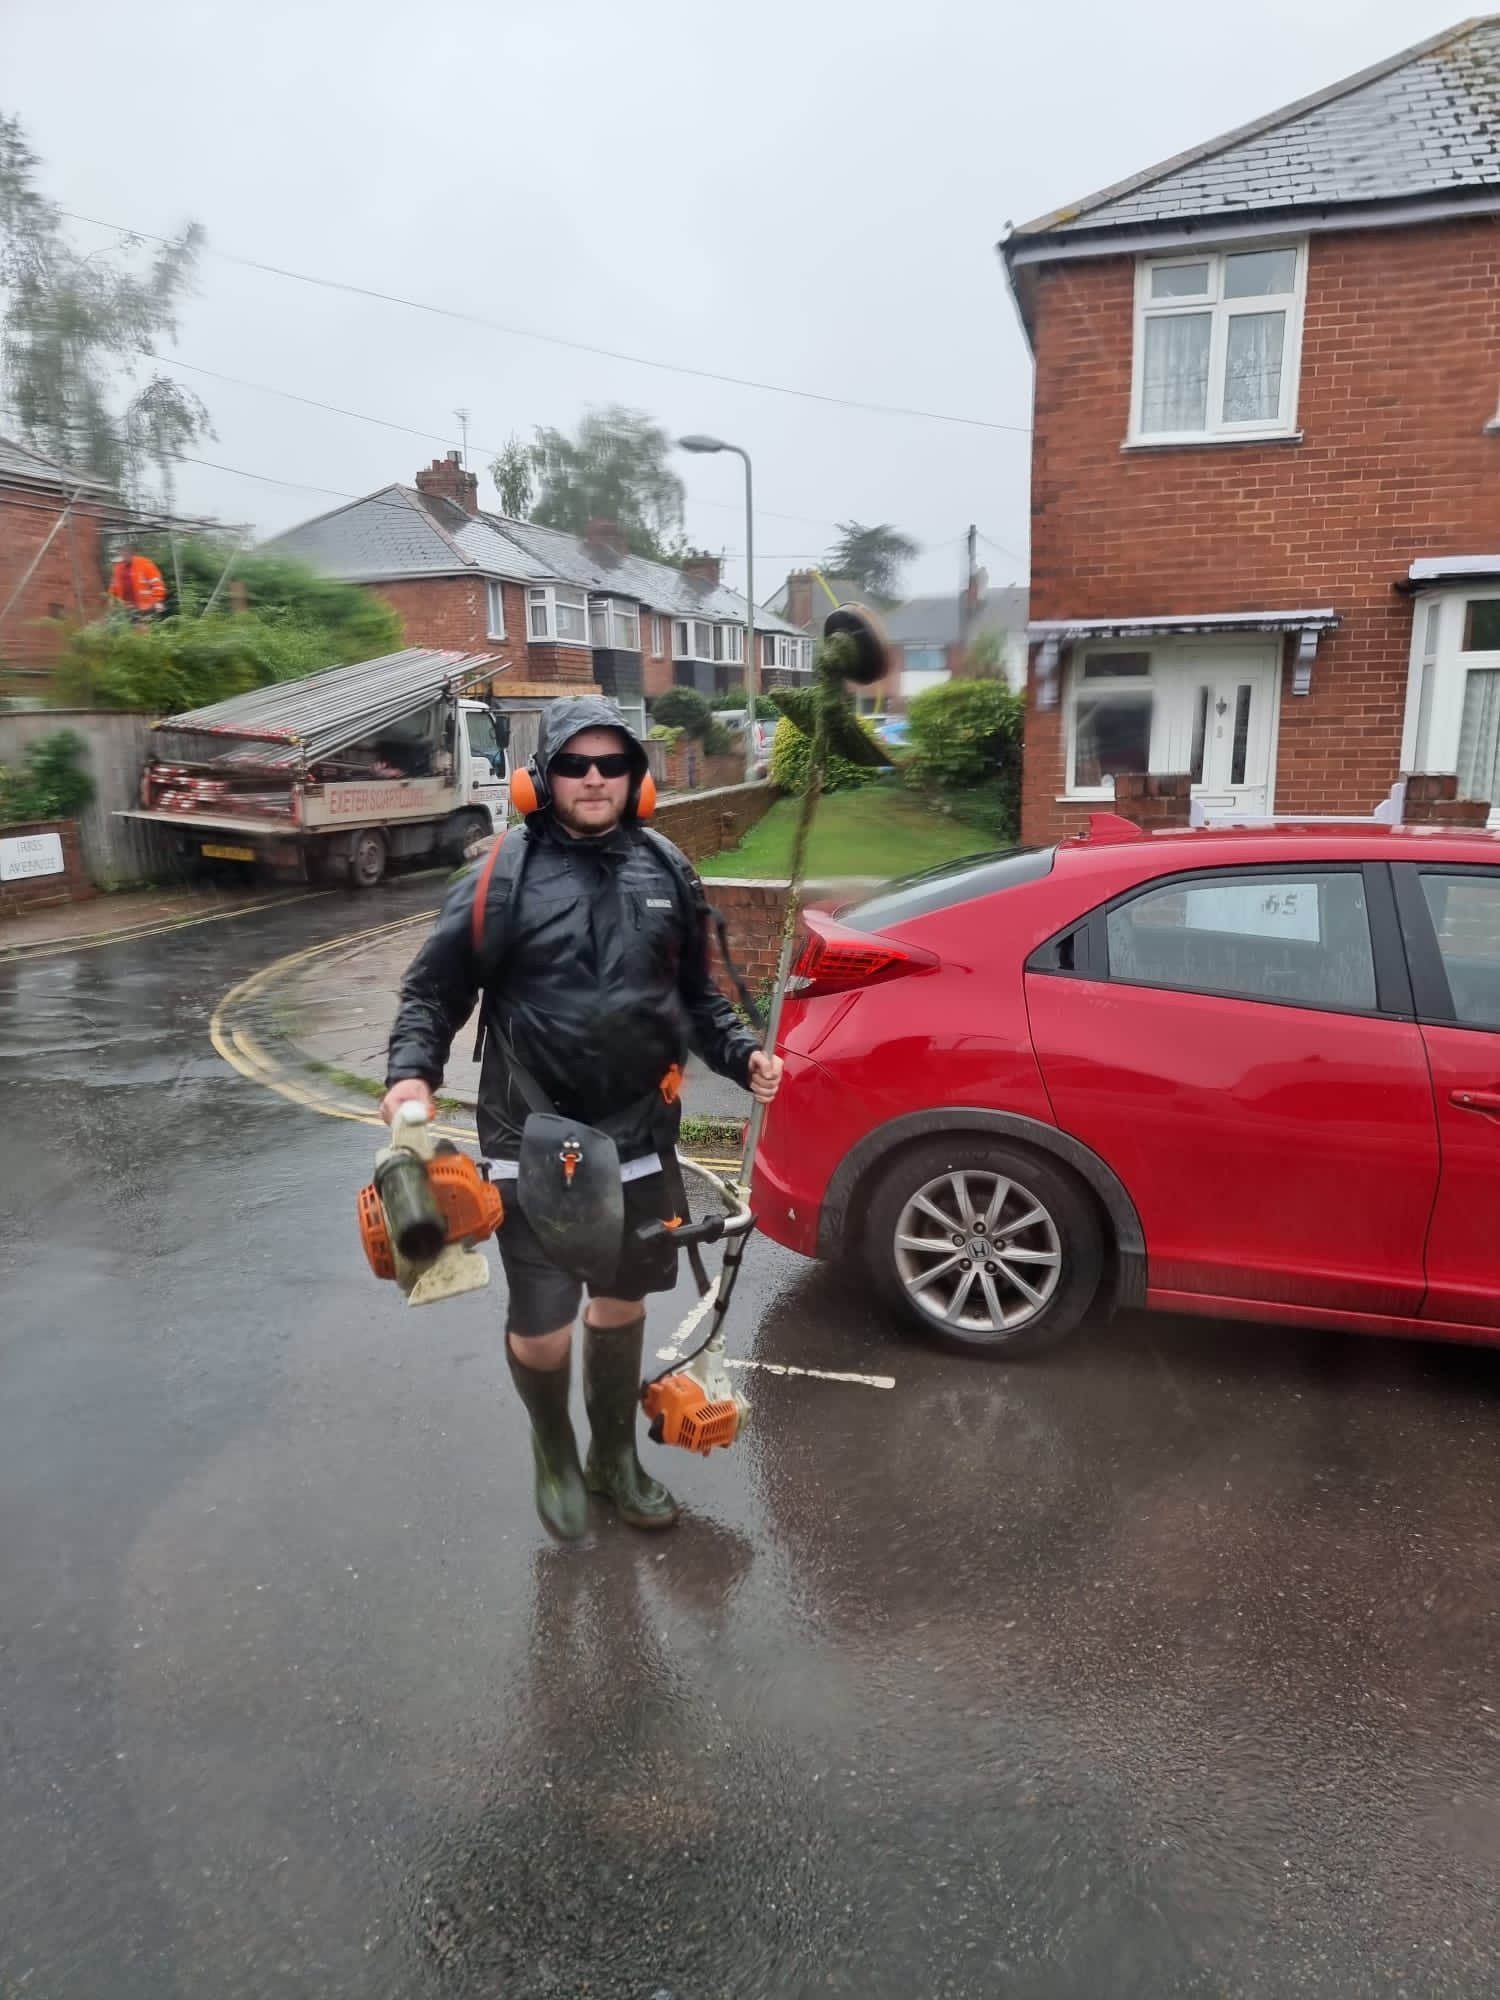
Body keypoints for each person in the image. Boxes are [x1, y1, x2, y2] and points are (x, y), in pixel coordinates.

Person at [381, 696, 783, 1540]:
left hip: (642, 1135)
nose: (593, 779)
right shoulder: (498, 874)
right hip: (534, 1140)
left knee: (623, 1299)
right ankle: (554, 1449)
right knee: (542, 1321)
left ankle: (613, 1458)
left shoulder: (668, 866)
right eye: (575, 763)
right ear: (543, 778)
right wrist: (411, 1074)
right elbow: (432, 991)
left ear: (635, 778)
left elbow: (697, 997)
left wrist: (742, 1053)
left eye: (611, 764)